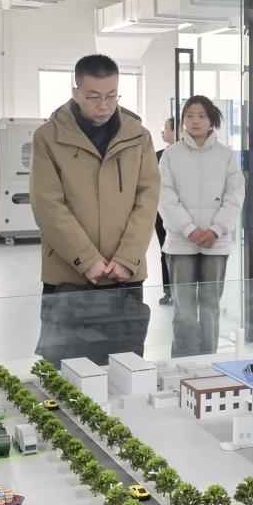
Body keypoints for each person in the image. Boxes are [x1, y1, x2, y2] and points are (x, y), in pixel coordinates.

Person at [30, 54, 159, 363]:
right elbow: (48, 204)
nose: (104, 105)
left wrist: (127, 258)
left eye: (112, 96)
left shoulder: (138, 136)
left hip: (124, 275)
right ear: (76, 92)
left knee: (124, 369)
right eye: (94, 97)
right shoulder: (49, 137)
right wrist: (86, 258)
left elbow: (148, 199)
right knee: (64, 371)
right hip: (69, 276)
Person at [158, 96, 245, 356]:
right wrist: (189, 229)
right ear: (182, 120)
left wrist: (216, 229)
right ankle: (182, 365)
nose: (195, 121)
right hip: (180, 242)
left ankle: (208, 363)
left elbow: (235, 195)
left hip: (215, 242)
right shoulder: (170, 155)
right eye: (189, 116)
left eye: (201, 115)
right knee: (183, 308)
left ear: (212, 120)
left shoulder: (225, 155)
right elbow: (163, 196)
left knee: (210, 308)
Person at [154, 116, 176, 306]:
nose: (163, 131)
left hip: (180, 211)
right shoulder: (157, 155)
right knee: (164, 250)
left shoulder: (185, 155)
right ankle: (168, 291)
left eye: (166, 128)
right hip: (160, 211)